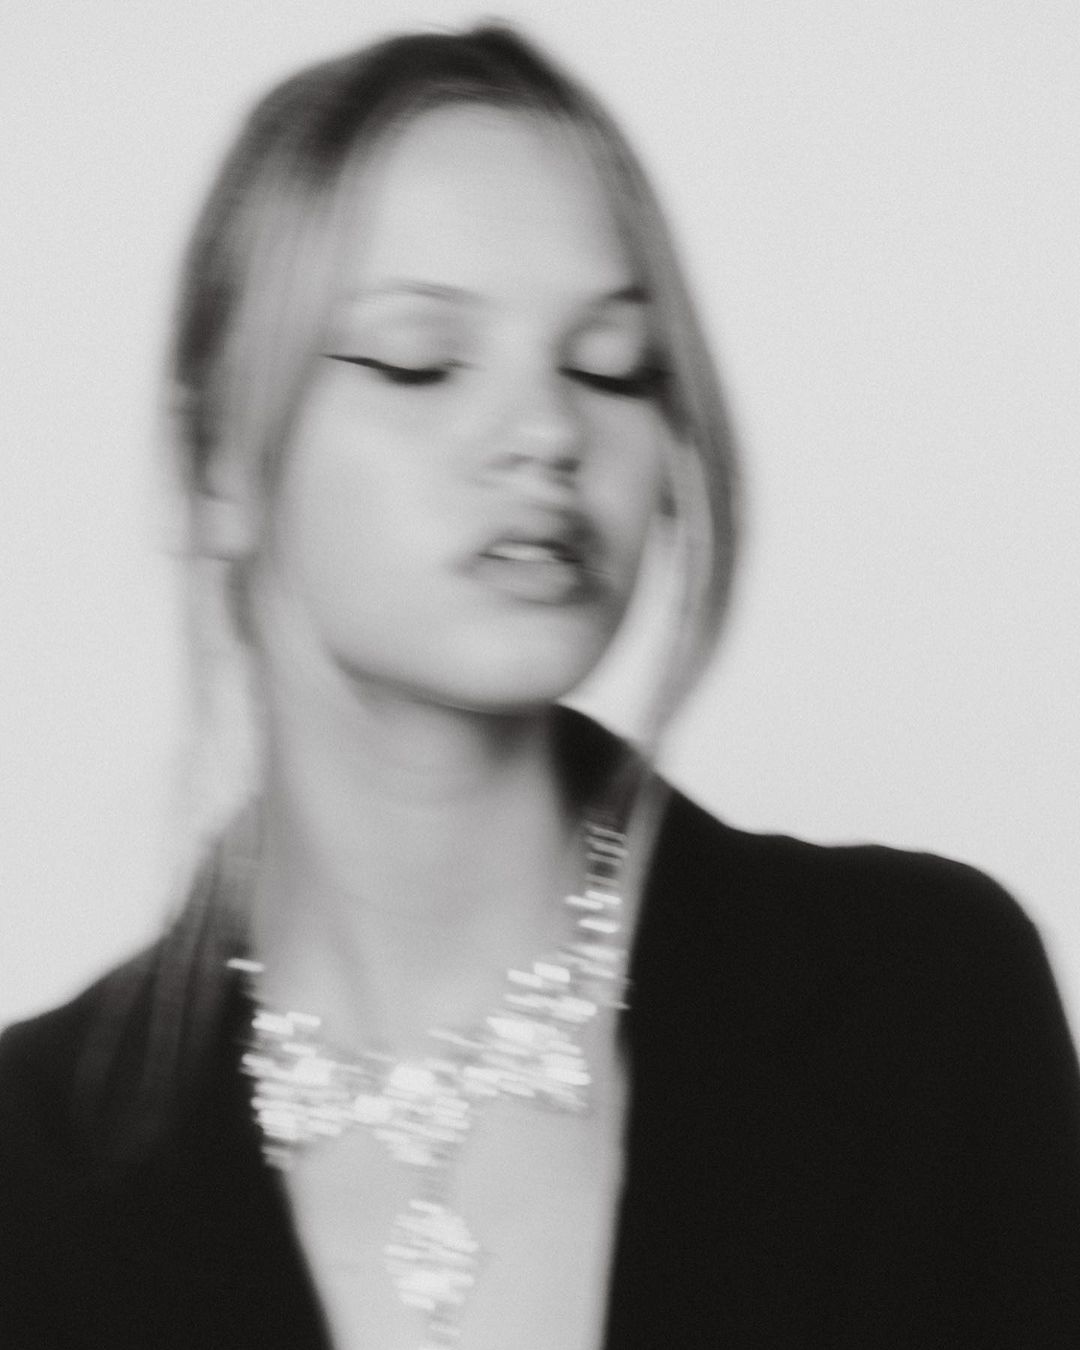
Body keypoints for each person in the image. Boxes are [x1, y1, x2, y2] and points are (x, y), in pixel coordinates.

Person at [1, 23, 1078, 1350]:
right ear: (212, 461)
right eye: (418, 358)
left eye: (611, 364)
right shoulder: (30, 1172)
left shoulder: (927, 1005)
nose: (548, 431)